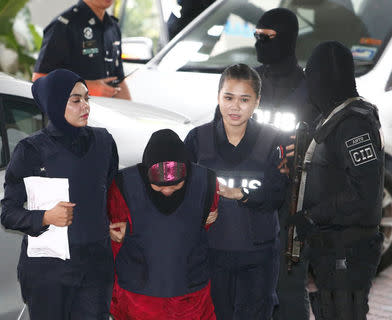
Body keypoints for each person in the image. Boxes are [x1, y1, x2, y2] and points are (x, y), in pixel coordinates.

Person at [1, 69, 118, 319]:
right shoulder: (31, 150)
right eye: (75, 100)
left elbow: (105, 190)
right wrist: (44, 217)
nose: (85, 106)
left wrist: (108, 222)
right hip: (49, 273)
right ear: (55, 104)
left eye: (87, 98)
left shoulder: (104, 142)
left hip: (95, 269)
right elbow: (9, 213)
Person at [287, 41, 384, 320]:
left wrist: (313, 217)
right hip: (332, 245)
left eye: (314, 77)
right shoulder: (334, 115)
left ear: (330, 78)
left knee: (345, 313)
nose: (311, 86)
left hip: (349, 248)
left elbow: (362, 192)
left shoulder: (355, 124)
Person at [185, 63, 288, 319]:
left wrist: (240, 194)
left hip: (258, 258)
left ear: (257, 102)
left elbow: (279, 194)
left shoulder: (275, 141)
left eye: (244, 99)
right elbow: (181, 193)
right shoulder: (197, 139)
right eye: (228, 97)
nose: (235, 106)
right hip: (210, 254)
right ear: (218, 96)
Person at [107, 129, 219, 320]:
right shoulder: (123, 184)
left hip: (190, 297)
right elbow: (113, 234)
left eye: (175, 185)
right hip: (140, 299)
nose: (167, 191)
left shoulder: (206, 182)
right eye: (159, 185)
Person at [253, 8, 319, 320]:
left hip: (291, 207)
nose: (258, 43)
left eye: (266, 38)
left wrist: (304, 152)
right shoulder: (248, 84)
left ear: (288, 39)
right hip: (251, 200)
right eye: (255, 37)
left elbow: (328, 153)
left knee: (288, 290)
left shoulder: (311, 91)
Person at [32, 0, 131, 100]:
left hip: (104, 112)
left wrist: (132, 113)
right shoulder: (65, 24)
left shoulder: (113, 27)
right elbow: (40, 79)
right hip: (70, 112)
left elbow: (119, 81)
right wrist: (87, 87)